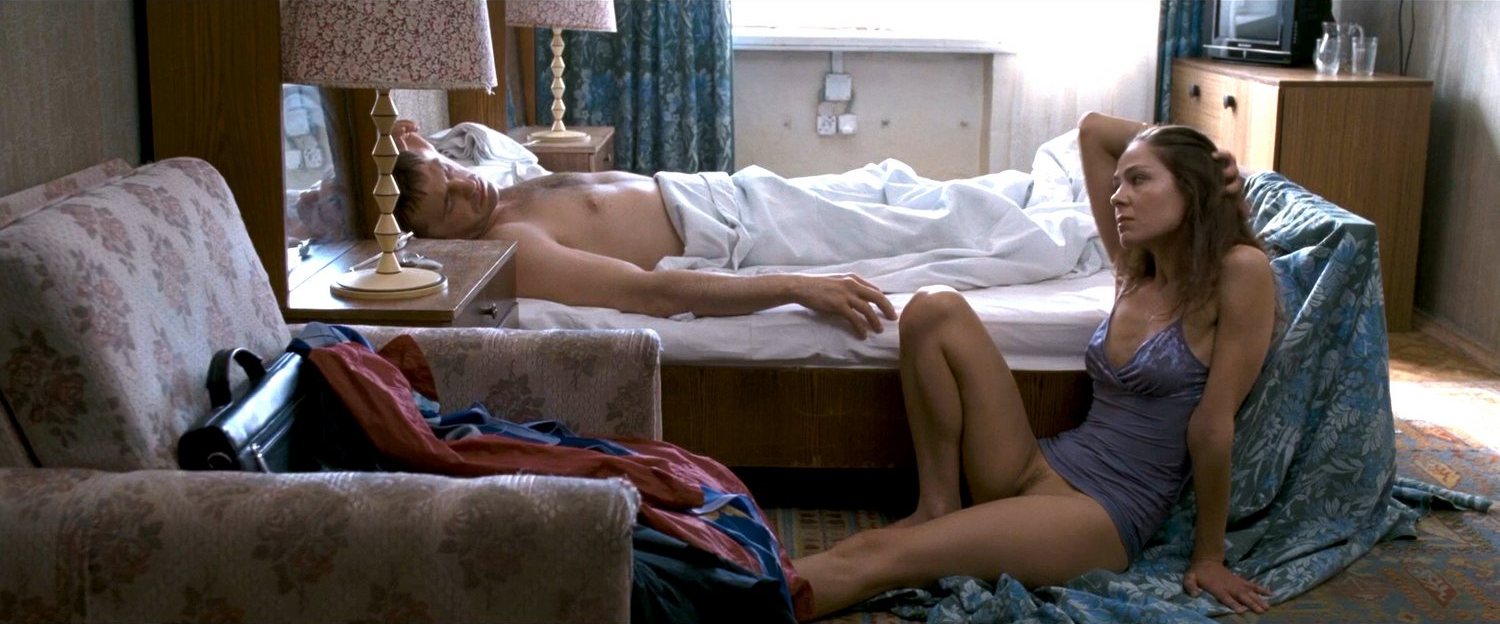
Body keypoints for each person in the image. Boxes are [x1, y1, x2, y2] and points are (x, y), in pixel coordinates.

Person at [788, 112, 1278, 620]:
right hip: (1040, 463)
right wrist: (1199, 152)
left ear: (1192, 188)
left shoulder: (1239, 271)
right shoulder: (1134, 270)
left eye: (1138, 180)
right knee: (934, 307)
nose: (1117, 197)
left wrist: (1209, 557)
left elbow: (1212, 426)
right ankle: (937, 504)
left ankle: (744, 598)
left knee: (879, 554)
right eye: (1117, 183)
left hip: (1102, 512)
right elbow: (1093, 131)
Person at [388, 120, 1102, 339]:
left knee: (903, 191)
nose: (466, 184)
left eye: (451, 171)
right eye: (448, 204)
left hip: (734, 193)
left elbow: (416, 142)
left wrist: (410, 144)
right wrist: (797, 287)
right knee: (926, 228)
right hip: (743, 239)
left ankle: (1058, 193)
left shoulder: (497, 183)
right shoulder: (512, 246)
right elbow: (647, 294)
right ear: (437, 240)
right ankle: (1089, 228)